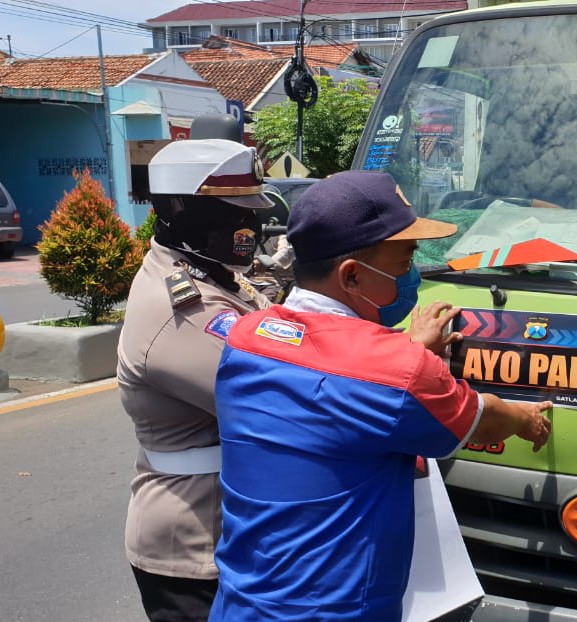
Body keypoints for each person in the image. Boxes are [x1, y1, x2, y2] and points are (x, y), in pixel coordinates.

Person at [208, 170, 553, 621]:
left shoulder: (247, 335)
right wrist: (526, 419)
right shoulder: (394, 371)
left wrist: (405, 350)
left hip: (240, 604)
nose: (412, 274)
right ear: (351, 276)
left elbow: (333, 390)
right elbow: (480, 418)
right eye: (404, 261)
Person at [117, 138, 275, 620]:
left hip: (227, 532)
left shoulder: (213, 276)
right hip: (191, 549)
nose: (249, 223)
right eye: (233, 211)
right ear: (180, 210)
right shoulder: (179, 310)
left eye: (252, 209)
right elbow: (276, 395)